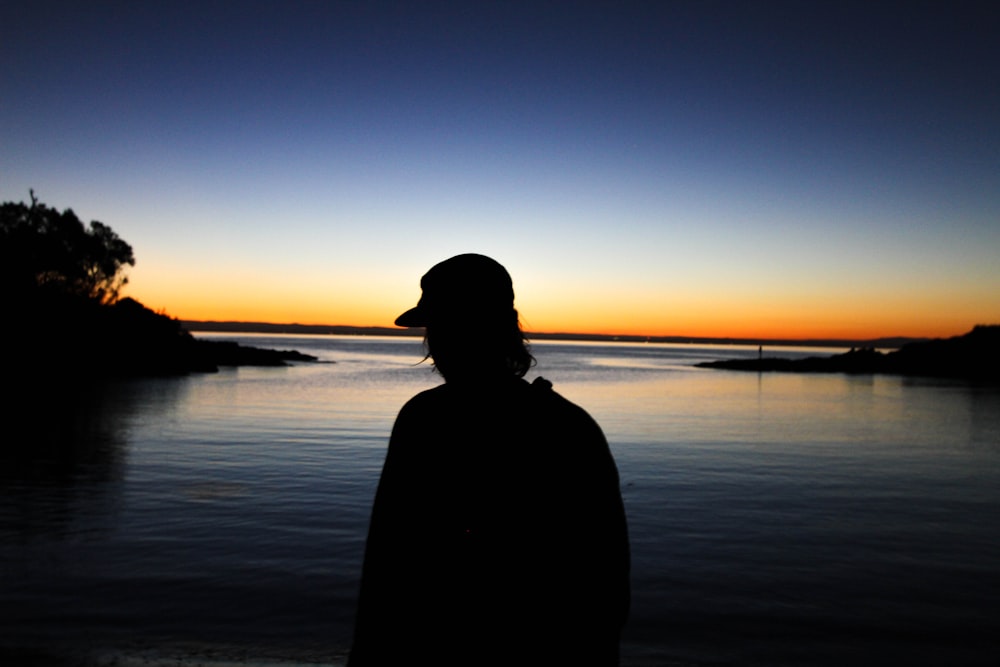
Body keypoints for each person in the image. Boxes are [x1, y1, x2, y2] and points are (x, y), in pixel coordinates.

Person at [348, 254, 630, 666]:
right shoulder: (425, 419)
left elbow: (601, 584)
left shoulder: (564, 430)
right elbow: (388, 562)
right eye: (438, 327)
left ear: (493, 328)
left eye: (457, 324)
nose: (443, 341)